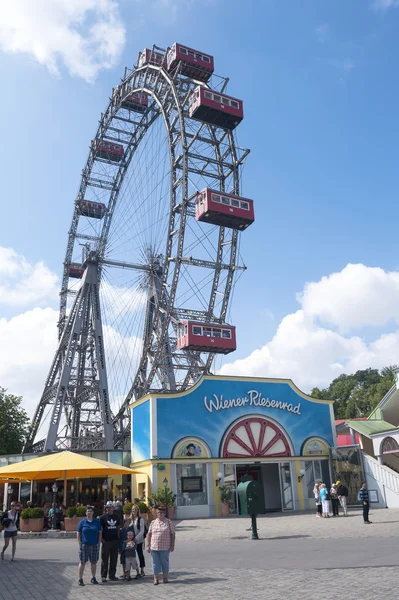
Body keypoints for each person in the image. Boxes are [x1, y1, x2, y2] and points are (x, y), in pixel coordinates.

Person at [146, 506, 175, 585]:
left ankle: (165, 578)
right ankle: (156, 579)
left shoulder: (168, 522)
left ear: (164, 513)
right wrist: (148, 545)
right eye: (158, 512)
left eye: (161, 513)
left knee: (164, 562)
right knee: (155, 563)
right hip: (154, 547)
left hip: (165, 547)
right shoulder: (153, 522)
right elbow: (149, 535)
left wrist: (172, 545)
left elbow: (172, 534)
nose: (160, 514)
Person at [77, 505, 102, 586]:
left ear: (93, 513)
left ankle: (93, 577)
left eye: (90, 511)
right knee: (82, 562)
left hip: (94, 545)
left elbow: (100, 533)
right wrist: (80, 543)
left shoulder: (96, 522)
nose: (89, 513)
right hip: (85, 545)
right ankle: (80, 579)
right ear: (86, 513)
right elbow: (78, 533)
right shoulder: (82, 522)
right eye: (88, 511)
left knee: (94, 562)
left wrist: (99, 543)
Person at [100, 500, 121, 582]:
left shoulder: (117, 517)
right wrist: (101, 539)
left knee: (114, 559)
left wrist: (119, 538)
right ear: (106, 508)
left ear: (113, 508)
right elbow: (100, 530)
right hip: (106, 541)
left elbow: (118, 528)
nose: (109, 509)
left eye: (111, 507)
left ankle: (112, 575)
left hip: (115, 540)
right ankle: (103, 576)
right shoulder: (102, 518)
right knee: (104, 560)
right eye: (108, 507)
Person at [130, 504, 146, 576]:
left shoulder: (140, 519)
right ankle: (136, 571)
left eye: (135, 509)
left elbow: (142, 531)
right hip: (131, 540)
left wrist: (136, 538)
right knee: (131, 555)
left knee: (140, 554)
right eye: (133, 509)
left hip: (139, 540)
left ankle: (142, 569)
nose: (134, 511)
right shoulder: (131, 519)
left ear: (137, 511)